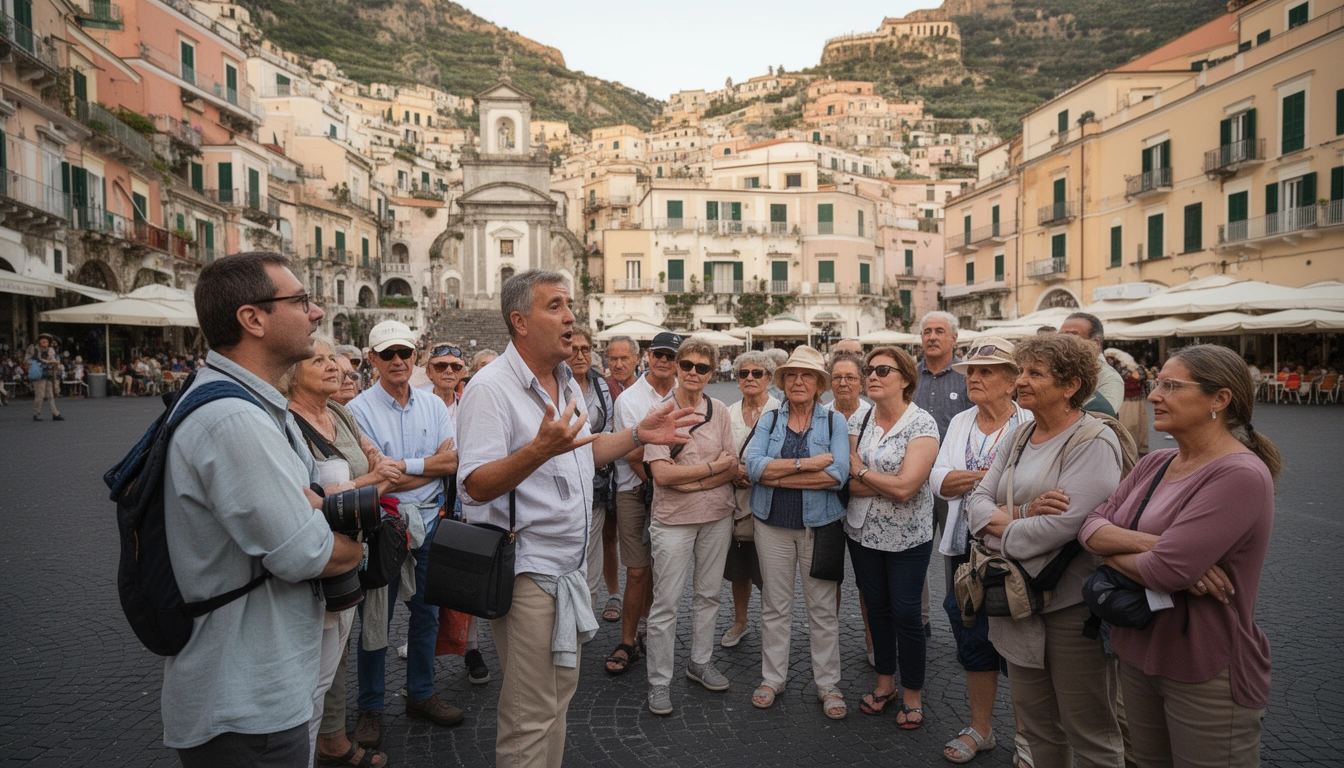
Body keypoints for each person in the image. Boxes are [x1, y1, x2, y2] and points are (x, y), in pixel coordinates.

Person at [456, 269, 696, 768]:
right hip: (526, 570)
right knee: (529, 712)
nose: (571, 317)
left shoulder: (563, 378)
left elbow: (582, 452)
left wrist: (639, 434)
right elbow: (474, 483)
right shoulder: (490, 389)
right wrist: (538, 451)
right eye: (556, 307)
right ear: (519, 321)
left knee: (559, 696)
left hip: (566, 570)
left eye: (570, 304)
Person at [163, 251, 363, 765]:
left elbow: (312, 509)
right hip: (247, 700)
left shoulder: (243, 405)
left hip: (253, 685)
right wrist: (351, 544)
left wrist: (316, 509)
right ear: (253, 319)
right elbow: (309, 554)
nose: (316, 312)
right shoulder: (235, 421)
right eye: (300, 301)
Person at [1080, 345, 1279, 768]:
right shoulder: (1155, 462)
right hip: (1137, 650)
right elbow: (1088, 528)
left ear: (1219, 400)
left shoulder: (1239, 475)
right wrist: (1153, 545)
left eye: (1171, 386)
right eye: (1157, 384)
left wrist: (1125, 549)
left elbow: (1165, 571)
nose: (1153, 395)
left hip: (1205, 666)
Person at [965, 333, 1126, 768]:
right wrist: (1020, 513)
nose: (1022, 381)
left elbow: (1063, 527)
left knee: (1090, 731)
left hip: (1072, 609)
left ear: (1071, 384)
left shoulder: (1093, 440)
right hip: (1019, 604)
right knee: (1037, 727)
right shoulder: (1019, 434)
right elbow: (974, 505)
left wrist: (998, 524)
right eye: (1022, 371)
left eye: (1035, 373)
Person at [283, 336, 401, 768]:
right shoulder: (286, 423)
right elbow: (310, 498)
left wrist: (373, 465)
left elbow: (371, 452)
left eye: (334, 358)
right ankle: (305, 748)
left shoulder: (337, 410)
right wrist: (369, 482)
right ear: (292, 373)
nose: (336, 367)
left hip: (352, 553)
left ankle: (328, 738)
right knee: (312, 671)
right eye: (320, 360)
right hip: (318, 562)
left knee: (336, 655)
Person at [349, 320, 463, 748]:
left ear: (416, 356)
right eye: (388, 354)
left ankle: (420, 693)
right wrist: (420, 467)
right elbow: (374, 476)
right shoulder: (358, 409)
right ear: (373, 359)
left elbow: (449, 463)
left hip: (429, 522)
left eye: (404, 353)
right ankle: (370, 707)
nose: (398, 361)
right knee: (375, 620)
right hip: (384, 526)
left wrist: (403, 468)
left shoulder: (433, 405)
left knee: (427, 613)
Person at [930, 338, 1032, 764]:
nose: (974, 378)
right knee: (972, 638)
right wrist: (989, 483)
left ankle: (1030, 738)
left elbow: (1031, 491)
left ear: (1012, 381)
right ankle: (981, 729)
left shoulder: (1030, 424)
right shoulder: (960, 422)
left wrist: (968, 481)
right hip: (963, 550)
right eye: (971, 371)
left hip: (1017, 551)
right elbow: (938, 480)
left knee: (1025, 645)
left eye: (987, 371)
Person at [743, 346, 850, 719]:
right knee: (775, 606)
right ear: (784, 381)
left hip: (818, 527)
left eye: (806, 375)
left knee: (822, 609)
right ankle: (773, 678)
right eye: (791, 375)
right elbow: (754, 467)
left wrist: (779, 474)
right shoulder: (769, 420)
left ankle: (827, 683)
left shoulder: (834, 422)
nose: (798, 381)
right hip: (771, 525)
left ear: (819, 383)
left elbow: (837, 476)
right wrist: (807, 464)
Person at [845, 346, 940, 729]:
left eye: (882, 369)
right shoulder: (860, 419)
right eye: (869, 369)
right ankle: (885, 683)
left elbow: (906, 488)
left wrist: (864, 474)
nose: (872, 376)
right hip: (862, 532)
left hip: (908, 537)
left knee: (906, 612)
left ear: (905, 377)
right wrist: (881, 481)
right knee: (877, 609)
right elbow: (846, 482)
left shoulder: (923, 424)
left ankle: (913, 694)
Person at [644, 338, 738, 715]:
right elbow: (662, 476)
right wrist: (712, 470)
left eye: (703, 367)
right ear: (677, 367)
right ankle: (658, 681)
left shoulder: (720, 412)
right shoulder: (659, 413)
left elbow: (731, 462)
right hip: (672, 521)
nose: (694, 373)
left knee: (709, 596)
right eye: (688, 365)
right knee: (665, 604)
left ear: (713, 373)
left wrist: (695, 479)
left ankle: (700, 661)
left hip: (717, 515)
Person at [605, 331, 681, 675]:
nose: (664, 361)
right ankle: (627, 639)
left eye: (671, 356)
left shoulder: (686, 393)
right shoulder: (630, 399)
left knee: (661, 569)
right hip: (635, 490)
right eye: (659, 354)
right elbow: (634, 454)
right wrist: (667, 479)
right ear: (648, 356)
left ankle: (650, 626)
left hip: (673, 490)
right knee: (636, 570)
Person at [424, 341, 492, 685]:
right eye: (441, 366)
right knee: (423, 583)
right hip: (426, 504)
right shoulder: (419, 406)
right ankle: (423, 655)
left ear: (463, 371)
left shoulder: (472, 404)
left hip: (464, 501)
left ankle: (472, 647)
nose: (448, 372)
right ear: (428, 370)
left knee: (468, 577)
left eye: (455, 366)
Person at [917, 311, 972, 633]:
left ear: (954, 338)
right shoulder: (909, 376)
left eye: (940, 331)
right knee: (915, 554)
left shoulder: (967, 377)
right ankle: (919, 620)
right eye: (927, 331)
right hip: (916, 480)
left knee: (957, 552)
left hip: (954, 482)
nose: (933, 337)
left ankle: (961, 618)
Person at [722, 351, 778, 648]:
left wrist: (755, 472)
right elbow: (718, 450)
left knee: (771, 571)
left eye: (757, 373)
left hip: (770, 501)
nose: (750, 378)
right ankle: (740, 622)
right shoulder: (727, 412)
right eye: (744, 373)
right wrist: (733, 470)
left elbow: (786, 454)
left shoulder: (780, 410)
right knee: (739, 568)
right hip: (736, 502)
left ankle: (773, 628)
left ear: (769, 378)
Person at [826, 351, 875, 666]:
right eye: (837, 378)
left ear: (862, 382)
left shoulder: (875, 415)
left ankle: (874, 644)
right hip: (827, 510)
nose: (843, 383)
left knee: (868, 584)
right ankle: (827, 646)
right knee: (828, 581)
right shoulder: (819, 413)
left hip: (865, 510)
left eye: (850, 377)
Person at [568, 327, 620, 620]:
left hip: (596, 479)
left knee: (594, 544)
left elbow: (609, 425)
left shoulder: (600, 385)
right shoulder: (555, 384)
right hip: (564, 480)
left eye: (585, 349)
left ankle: (586, 609)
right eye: (573, 349)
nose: (579, 355)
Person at [1059, 312, 1123, 418]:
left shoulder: (1110, 378)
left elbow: (1100, 419)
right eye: (1061, 335)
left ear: (1094, 344)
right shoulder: (1056, 368)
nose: (1063, 341)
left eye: (1072, 336)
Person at [1109, 349, 1149, 457]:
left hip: (1127, 402)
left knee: (1129, 427)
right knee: (1136, 427)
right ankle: (1134, 453)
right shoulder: (1138, 369)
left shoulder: (1118, 369)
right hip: (1136, 402)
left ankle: (1129, 454)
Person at [30, 333, 62, 421]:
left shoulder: (49, 351)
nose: (44, 341)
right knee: (40, 396)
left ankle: (55, 413)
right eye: (43, 340)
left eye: (46, 340)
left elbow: (53, 359)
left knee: (50, 395)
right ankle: (36, 413)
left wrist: (55, 362)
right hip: (38, 375)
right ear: (39, 341)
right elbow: (36, 359)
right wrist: (48, 361)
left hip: (47, 374)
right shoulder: (35, 349)